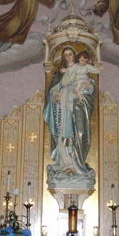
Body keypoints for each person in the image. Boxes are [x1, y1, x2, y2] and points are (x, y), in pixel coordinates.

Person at [43, 46, 96, 184]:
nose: (68, 58)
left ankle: (76, 164)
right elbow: (55, 87)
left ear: (75, 55)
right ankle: (65, 165)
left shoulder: (80, 69)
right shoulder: (61, 73)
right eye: (65, 55)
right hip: (62, 104)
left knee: (78, 132)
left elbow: (89, 87)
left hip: (75, 105)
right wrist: (55, 95)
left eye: (70, 54)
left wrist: (88, 86)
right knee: (61, 133)